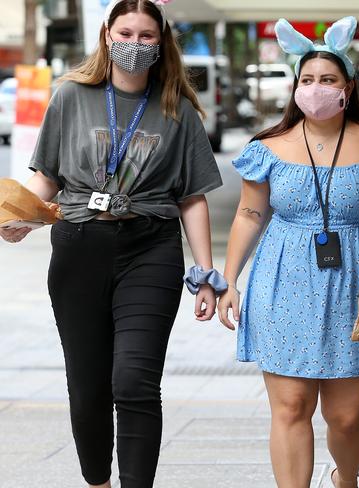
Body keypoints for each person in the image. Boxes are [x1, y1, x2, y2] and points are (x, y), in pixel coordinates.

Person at [0, 0, 226, 486]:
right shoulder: (71, 97)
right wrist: (20, 216)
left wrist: (206, 275)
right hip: (80, 246)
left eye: (147, 36)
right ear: (107, 34)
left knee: (135, 382)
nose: (135, 45)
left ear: (162, 42)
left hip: (152, 248)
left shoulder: (178, 109)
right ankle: (98, 481)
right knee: (87, 388)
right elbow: (47, 177)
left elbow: (192, 197)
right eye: (126, 33)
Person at [217, 17, 359, 488]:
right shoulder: (267, 148)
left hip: (358, 283)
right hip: (281, 281)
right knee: (291, 408)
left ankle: (346, 475)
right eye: (307, 80)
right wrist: (230, 279)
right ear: (294, 87)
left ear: (348, 87)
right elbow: (248, 214)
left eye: (327, 79)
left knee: (346, 417)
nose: (316, 88)